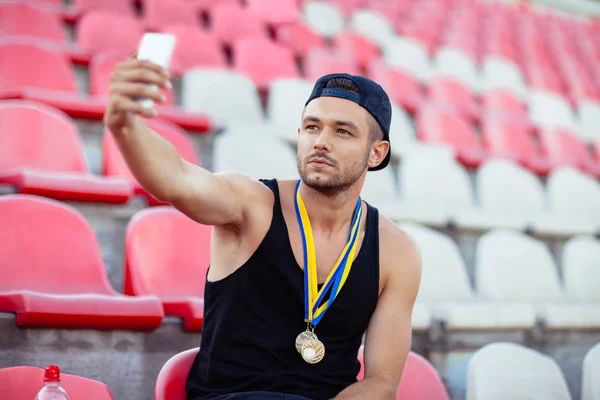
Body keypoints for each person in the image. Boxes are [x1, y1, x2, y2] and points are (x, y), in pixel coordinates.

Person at [104, 56, 422, 400]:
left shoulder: (396, 251)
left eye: (342, 131)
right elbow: (176, 180)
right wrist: (125, 125)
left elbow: (382, 383)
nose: (321, 142)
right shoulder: (251, 204)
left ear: (376, 153)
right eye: (312, 127)